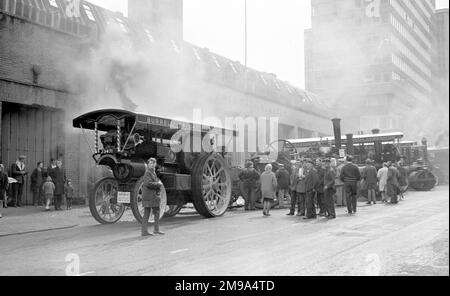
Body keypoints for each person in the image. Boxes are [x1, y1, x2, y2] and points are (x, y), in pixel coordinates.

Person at [141, 158, 164, 237]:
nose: (152, 165)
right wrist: (158, 184)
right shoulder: (148, 173)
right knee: (147, 213)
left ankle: (155, 230)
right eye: (151, 163)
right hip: (149, 196)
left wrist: (158, 185)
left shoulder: (153, 172)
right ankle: (145, 232)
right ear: (148, 164)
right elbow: (148, 183)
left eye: (154, 163)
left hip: (152, 196)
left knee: (156, 212)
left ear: (155, 164)